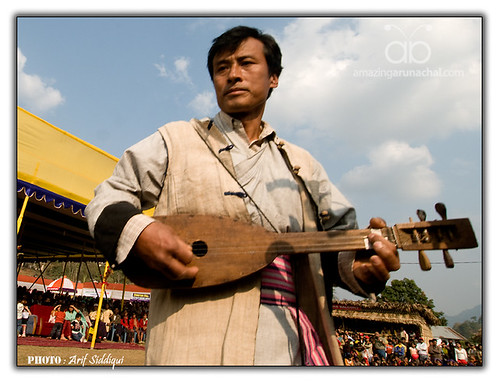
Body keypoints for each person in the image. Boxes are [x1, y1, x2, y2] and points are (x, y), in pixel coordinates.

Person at [85, 25, 400, 366]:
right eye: (222, 68)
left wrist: (360, 268)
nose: (233, 74)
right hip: (189, 342)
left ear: (273, 78)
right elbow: (106, 198)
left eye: (246, 63)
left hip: (287, 342)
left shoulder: (303, 166)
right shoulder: (175, 140)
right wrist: (138, 231)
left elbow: (337, 247)